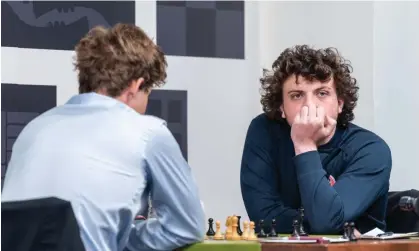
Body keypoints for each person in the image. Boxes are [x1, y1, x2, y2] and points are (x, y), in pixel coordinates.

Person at [1, 23, 205, 251]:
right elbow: (187, 226)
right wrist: (122, 236)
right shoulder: (149, 133)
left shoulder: (33, 128)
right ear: (135, 86)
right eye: (148, 93)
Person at [240, 45, 392, 235]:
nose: (310, 105)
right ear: (282, 107)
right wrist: (336, 226)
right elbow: (263, 216)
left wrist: (304, 145)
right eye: (296, 96)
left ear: (339, 104)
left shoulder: (371, 149)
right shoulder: (264, 130)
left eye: (322, 93)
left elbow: (325, 221)